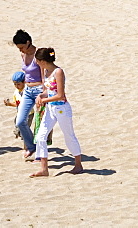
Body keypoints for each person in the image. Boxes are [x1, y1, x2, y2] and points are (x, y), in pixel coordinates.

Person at [30, 47, 83, 177]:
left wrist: (45, 99)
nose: (36, 63)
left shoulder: (58, 72)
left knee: (69, 135)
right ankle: (44, 169)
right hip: (50, 108)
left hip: (61, 109)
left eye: (37, 60)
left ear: (43, 60)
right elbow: (48, 90)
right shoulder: (45, 71)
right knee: (41, 136)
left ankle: (78, 164)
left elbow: (60, 95)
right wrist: (41, 96)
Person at [12, 29, 44, 159]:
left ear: (28, 42)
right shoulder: (23, 55)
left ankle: (40, 152)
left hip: (39, 90)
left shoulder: (38, 55)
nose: (21, 50)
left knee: (39, 122)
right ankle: (31, 146)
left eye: (22, 47)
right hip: (27, 90)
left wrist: (43, 93)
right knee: (20, 121)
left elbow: (44, 76)